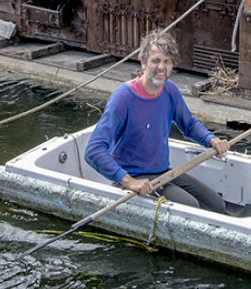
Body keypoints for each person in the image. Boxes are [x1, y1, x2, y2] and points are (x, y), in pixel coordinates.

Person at [84, 29, 230, 213]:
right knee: (191, 207)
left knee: (216, 204)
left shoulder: (170, 90)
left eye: (167, 61)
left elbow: (189, 125)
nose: (162, 67)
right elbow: (93, 150)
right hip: (135, 176)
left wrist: (211, 140)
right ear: (143, 63)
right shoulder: (123, 98)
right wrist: (129, 182)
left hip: (162, 171)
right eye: (155, 61)